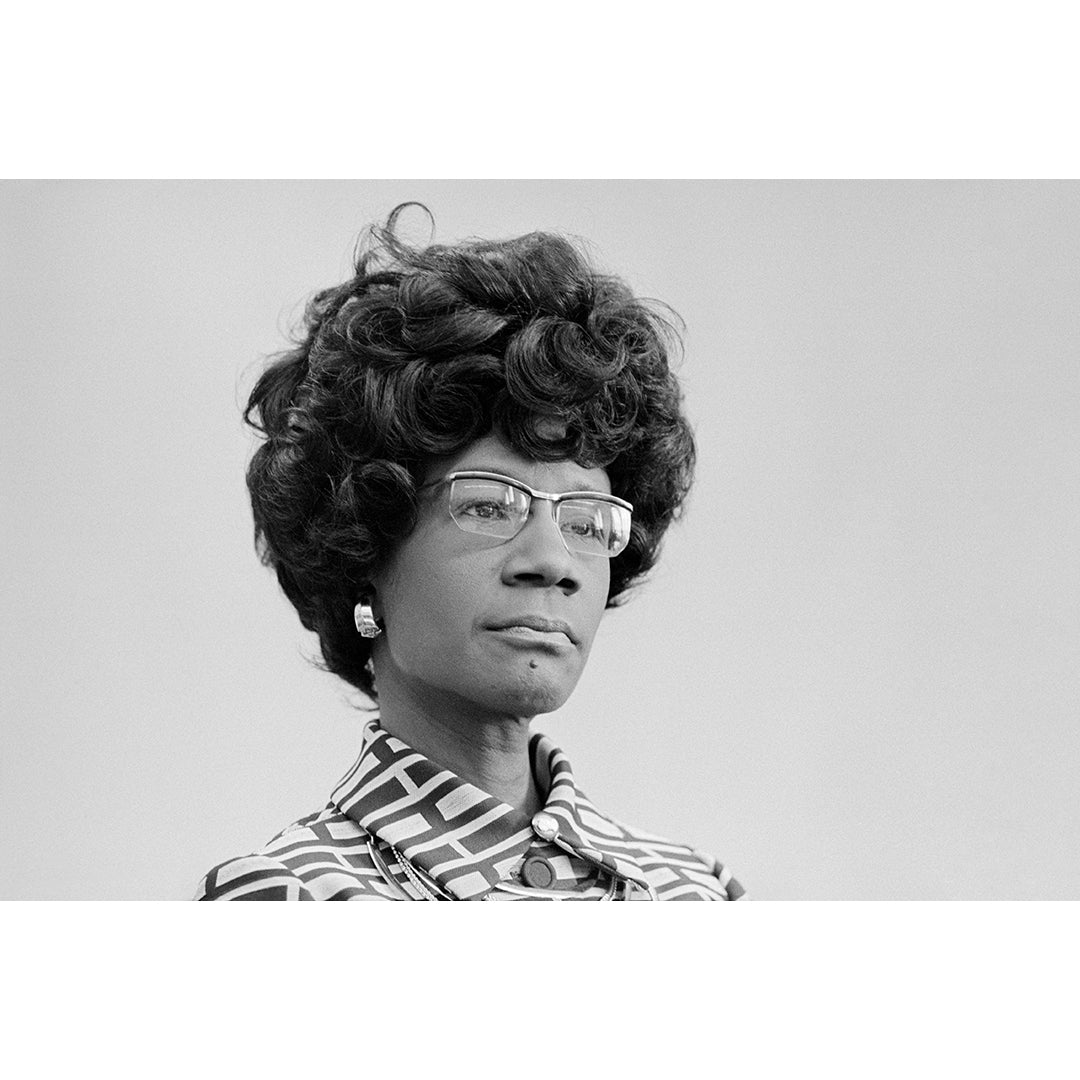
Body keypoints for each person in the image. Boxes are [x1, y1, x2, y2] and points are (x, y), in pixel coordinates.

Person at [195, 205, 745, 901]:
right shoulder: (285, 898)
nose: (553, 561)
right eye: (489, 504)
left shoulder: (697, 891)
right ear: (364, 548)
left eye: (585, 518)